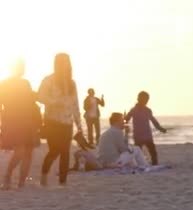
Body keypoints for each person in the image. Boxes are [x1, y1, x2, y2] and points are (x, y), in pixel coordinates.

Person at [38, 53, 83, 186]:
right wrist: (54, 102)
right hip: (52, 120)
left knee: (65, 152)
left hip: (67, 122)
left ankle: (62, 181)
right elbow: (40, 97)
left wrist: (79, 124)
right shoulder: (48, 80)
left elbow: (75, 104)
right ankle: (44, 175)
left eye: (67, 62)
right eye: (62, 62)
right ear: (57, 64)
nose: (65, 65)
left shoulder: (72, 83)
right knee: (55, 150)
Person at [0, 60, 41, 189]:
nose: (23, 69)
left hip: (28, 120)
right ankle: (7, 176)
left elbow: (30, 100)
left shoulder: (25, 83)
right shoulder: (5, 83)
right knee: (20, 151)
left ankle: (21, 183)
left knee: (28, 151)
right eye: (21, 67)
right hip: (14, 121)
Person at [72, 113, 148, 170]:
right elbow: (123, 150)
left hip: (104, 161)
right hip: (113, 162)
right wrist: (127, 134)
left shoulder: (107, 132)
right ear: (117, 121)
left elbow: (121, 148)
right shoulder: (117, 132)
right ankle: (145, 166)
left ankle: (137, 166)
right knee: (136, 149)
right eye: (122, 120)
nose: (123, 122)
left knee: (131, 151)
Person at [125, 91, 167, 165]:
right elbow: (127, 119)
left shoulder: (147, 110)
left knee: (152, 151)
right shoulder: (134, 109)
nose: (146, 101)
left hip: (146, 134)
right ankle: (140, 163)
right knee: (139, 151)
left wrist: (160, 128)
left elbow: (154, 121)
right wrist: (124, 119)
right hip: (139, 135)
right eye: (144, 99)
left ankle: (154, 163)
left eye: (147, 99)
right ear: (139, 99)